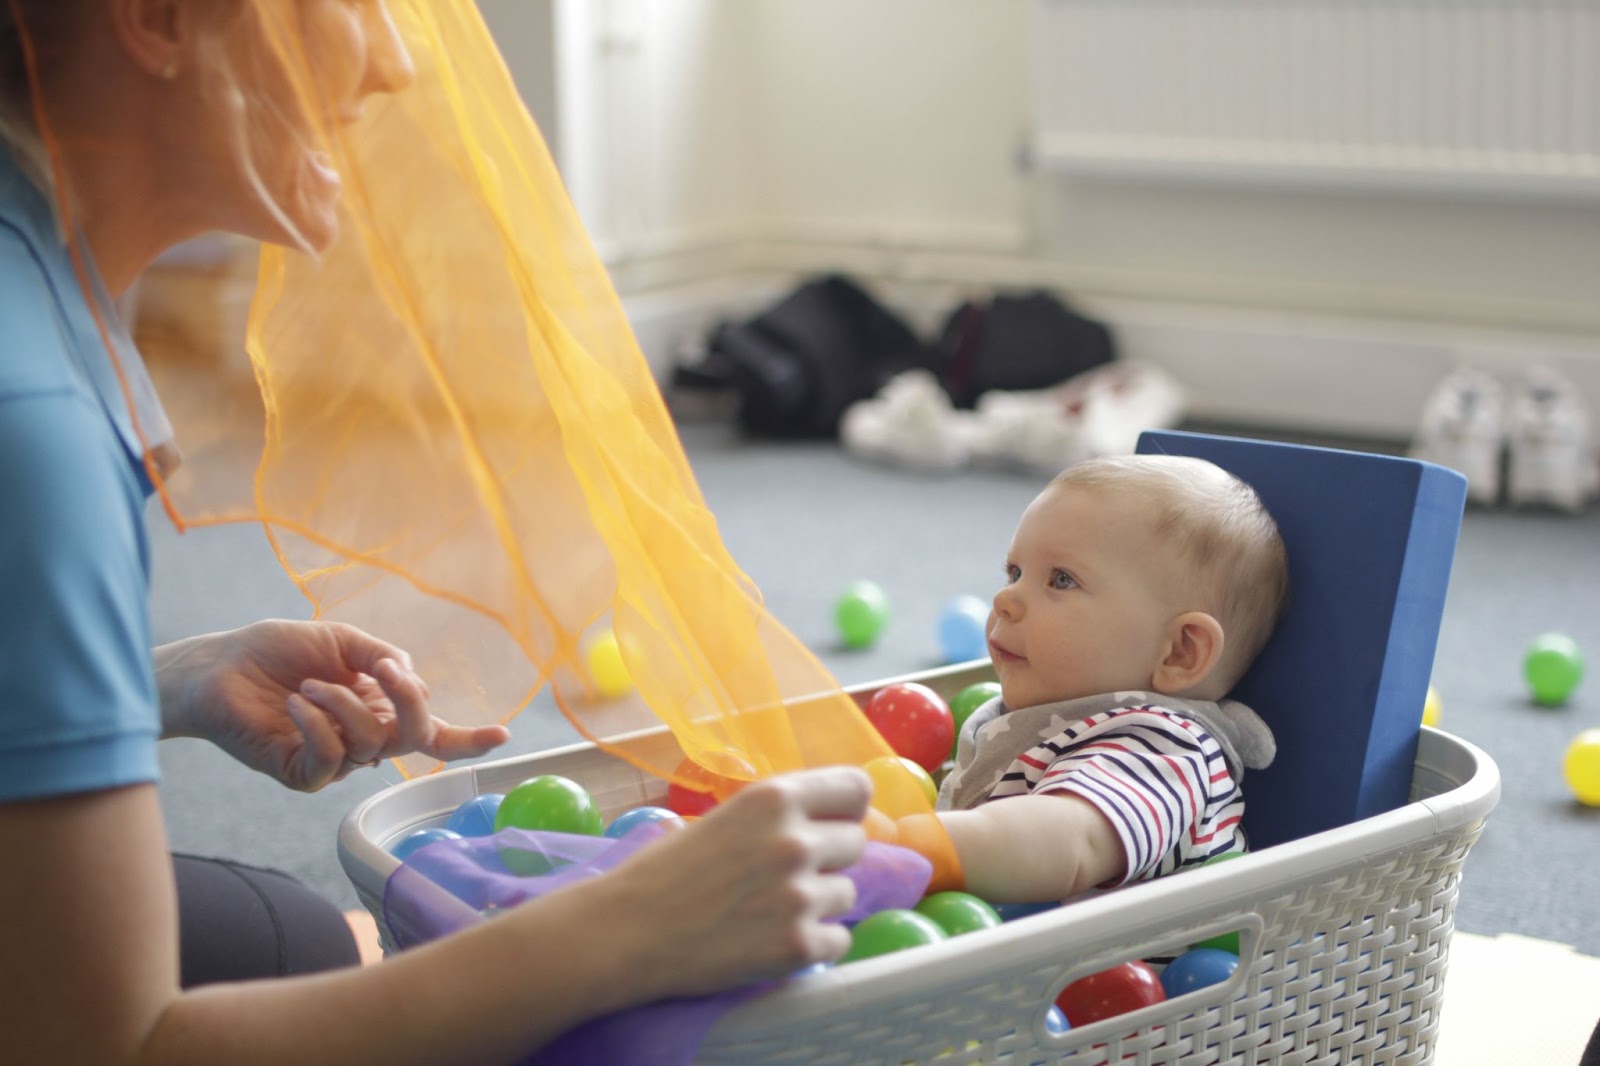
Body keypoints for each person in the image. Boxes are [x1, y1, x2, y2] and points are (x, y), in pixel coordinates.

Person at [0, 3, 870, 1064]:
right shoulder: (27, 417)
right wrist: (628, 926)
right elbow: (103, 1044)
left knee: (297, 941)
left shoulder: (34, 262)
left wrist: (157, 681)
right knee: (312, 977)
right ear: (156, 18)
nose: (398, 59)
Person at [894, 454, 1289, 904]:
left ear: (1180, 651)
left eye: (1061, 580)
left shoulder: (1165, 747)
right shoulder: (1044, 709)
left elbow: (1071, 841)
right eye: (1015, 573)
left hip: (1103, 972)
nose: (1005, 599)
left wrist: (905, 843)